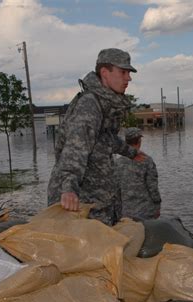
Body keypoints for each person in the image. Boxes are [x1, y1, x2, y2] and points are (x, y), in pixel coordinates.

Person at [47, 48, 144, 225]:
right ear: (105, 73)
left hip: (99, 200)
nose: (128, 78)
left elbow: (106, 139)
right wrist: (68, 188)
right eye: (123, 72)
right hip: (82, 204)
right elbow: (75, 148)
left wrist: (131, 152)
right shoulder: (90, 105)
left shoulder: (105, 103)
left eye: (129, 73)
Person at [115, 127, 162, 220]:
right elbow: (153, 187)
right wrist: (157, 206)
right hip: (146, 212)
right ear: (139, 140)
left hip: (125, 212)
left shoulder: (117, 162)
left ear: (126, 141)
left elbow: (116, 191)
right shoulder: (146, 161)